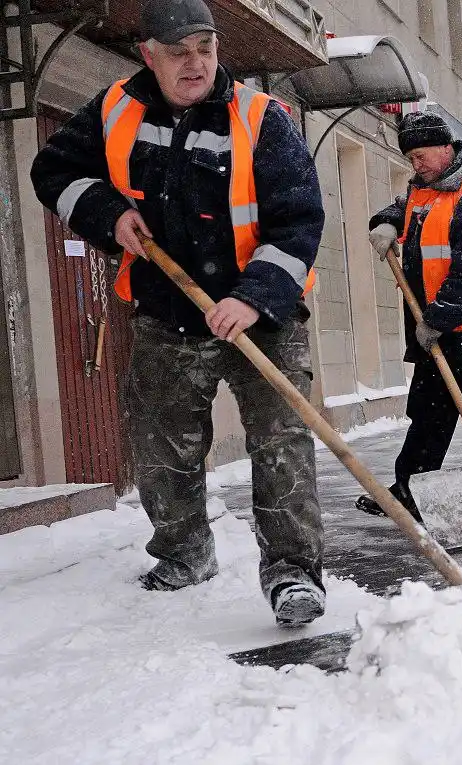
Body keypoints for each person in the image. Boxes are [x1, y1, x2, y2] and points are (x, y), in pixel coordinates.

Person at [31, 0, 326, 627]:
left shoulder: (260, 117)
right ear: (149, 54)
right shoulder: (115, 110)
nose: (195, 64)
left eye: (205, 48)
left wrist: (250, 297)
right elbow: (54, 169)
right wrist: (107, 213)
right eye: (179, 51)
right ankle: (183, 552)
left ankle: (294, 573)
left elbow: (299, 220)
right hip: (167, 309)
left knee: (282, 442)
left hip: (265, 315)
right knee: (162, 442)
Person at [355, 112, 462, 517]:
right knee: (428, 416)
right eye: (410, 158)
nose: (416, 164)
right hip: (439, 330)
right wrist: (386, 222)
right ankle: (408, 490)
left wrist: (437, 318)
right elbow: (403, 208)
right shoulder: (423, 190)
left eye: (421, 155)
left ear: (447, 149)